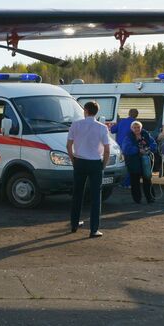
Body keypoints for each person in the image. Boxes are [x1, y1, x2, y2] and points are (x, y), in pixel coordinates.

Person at [66, 101, 111, 239]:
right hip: (95, 163)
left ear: (85, 110)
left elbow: (69, 145)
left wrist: (73, 160)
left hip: (79, 161)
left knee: (77, 193)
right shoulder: (102, 127)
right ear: (96, 112)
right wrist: (103, 164)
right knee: (95, 197)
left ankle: (74, 224)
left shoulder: (75, 125)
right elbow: (107, 149)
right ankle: (93, 229)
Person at [122, 121, 157, 204]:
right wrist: (138, 150)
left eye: (138, 127)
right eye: (134, 127)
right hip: (133, 162)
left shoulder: (146, 135)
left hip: (146, 161)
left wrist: (148, 149)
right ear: (131, 128)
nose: (136, 129)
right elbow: (126, 149)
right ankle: (137, 200)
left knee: (147, 180)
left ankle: (150, 198)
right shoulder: (128, 137)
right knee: (135, 181)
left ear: (141, 128)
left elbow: (154, 145)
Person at [110, 108, 139, 188]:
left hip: (120, 148)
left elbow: (112, 130)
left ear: (129, 114)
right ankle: (127, 183)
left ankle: (121, 182)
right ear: (136, 115)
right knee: (130, 165)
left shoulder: (122, 122)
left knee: (122, 165)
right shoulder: (136, 124)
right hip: (130, 148)